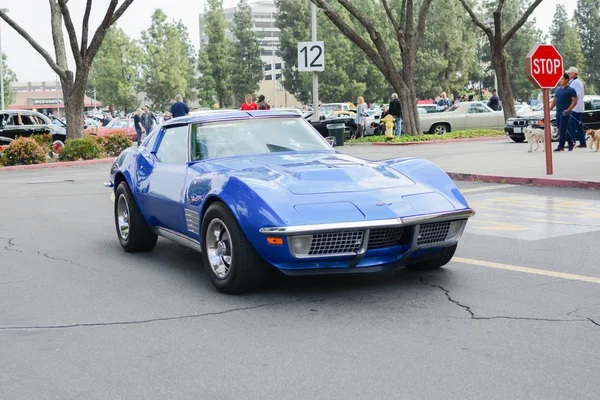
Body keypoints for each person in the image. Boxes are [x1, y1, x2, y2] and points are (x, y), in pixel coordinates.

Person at [550, 73, 578, 152]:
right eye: (560, 79)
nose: (560, 80)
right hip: (558, 112)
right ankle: (571, 142)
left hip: (565, 112)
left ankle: (561, 146)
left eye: (562, 79)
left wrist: (568, 110)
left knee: (562, 129)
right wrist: (550, 108)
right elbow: (555, 100)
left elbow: (574, 101)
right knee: (561, 129)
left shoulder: (571, 90)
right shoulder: (558, 89)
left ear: (566, 80)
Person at [566, 66, 586, 148]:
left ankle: (572, 142)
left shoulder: (574, 83)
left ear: (574, 74)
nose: (568, 74)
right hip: (579, 107)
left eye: (569, 73)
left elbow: (576, 94)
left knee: (571, 126)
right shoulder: (578, 82)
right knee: (579, 125)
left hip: (574, 107)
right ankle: (582, 142)